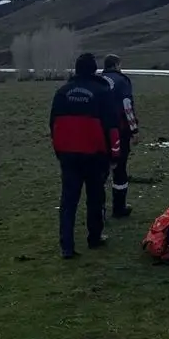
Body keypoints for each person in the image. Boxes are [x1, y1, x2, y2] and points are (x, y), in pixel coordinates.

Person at [49, 52, 123, 259]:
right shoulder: (102, 92)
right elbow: (112, 127)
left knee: (68, 201)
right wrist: (115, 155)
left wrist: (59, 150)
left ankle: (66, 246)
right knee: (95, 197)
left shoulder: (62, 92)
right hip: (95, 154)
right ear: (93, 70)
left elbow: (53, 124)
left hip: (68, 155)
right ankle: (94, 237)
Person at [101, 54, 140, 218]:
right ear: (117, 65)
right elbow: (127, 106)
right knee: (120, 168)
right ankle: (119, 207)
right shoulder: (122, 81)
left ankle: (99, 210)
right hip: (119, 131)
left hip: (99, 130)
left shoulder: (98, 80)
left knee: (100, 171)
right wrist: (134, 130)